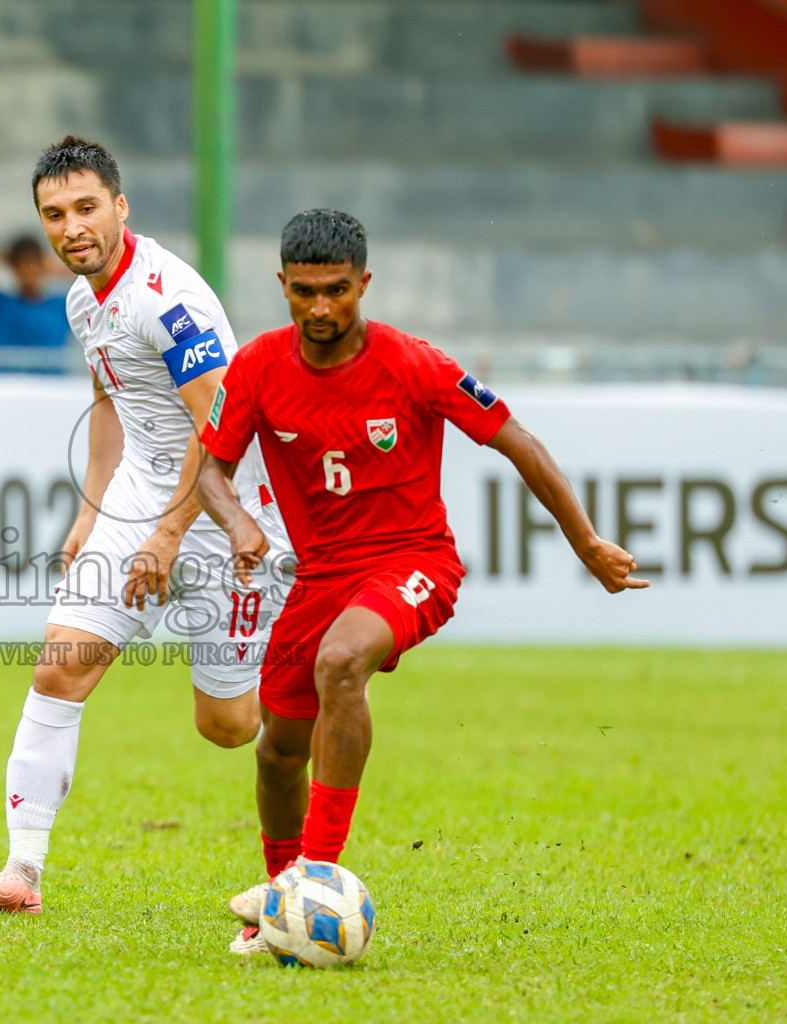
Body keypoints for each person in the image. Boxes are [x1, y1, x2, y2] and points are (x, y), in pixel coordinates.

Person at [194, 209, 648, 954]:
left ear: (363, 283)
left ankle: (317, 871)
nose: (319, 308)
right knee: (277, 750)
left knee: (341, 663)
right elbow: (212, 469)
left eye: (336, 290)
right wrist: (239, 524)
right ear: (281, 285)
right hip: (320, 576)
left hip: (414, 561)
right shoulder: (257, 367)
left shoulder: (414, 364)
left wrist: (588, 542)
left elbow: (518, 441)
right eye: (303, 291)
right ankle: (282, 900)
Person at [0, 136, 291, 916]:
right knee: (58, 670)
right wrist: (92, 512)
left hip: (224, 511)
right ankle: (19, 875)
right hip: (139, 502)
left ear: (121, 207)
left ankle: (309, 661)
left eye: (86, 208)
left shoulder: (168, 298)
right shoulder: (79, 298)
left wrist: (168, 537)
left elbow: (222, 424)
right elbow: (111, 401)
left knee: (229, 728)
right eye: (54, 214)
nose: (71, 227)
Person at [0, 235, 72, 374]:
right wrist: (7, 256)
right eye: (23, 264)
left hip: (49, 390)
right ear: (14, 267)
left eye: (34, 264)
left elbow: (96, 276)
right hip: (4, 389)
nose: (29, 270)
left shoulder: (62, 305)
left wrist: (54, 264)